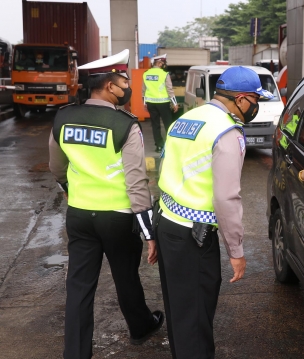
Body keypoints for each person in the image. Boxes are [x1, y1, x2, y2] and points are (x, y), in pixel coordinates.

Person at [48, 49, 164, 359]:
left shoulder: (63, 117)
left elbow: (57, 167)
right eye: (124, 81)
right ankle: (140, 328)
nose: (128, 87)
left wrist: (71, 190)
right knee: (126, 277)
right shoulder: (125, 124)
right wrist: (149, 231)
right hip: (117, 217)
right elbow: (136, 182)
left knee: (79, 287)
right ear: (110, 86)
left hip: (80, 215)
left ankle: (75, 353)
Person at [154, 66, 274, 358]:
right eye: (256, 99)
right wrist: (236, 250)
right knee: (195, 320)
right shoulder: (226, 131)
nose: (257, 106)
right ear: (243, 99)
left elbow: (165, 170)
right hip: (193, 237)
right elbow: (226, 197)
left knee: (180, 314)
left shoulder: (186, 118)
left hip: (167, 222)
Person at [142, 54, 178, 152]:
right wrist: (174, 103)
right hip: (163, 103)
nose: (163, 65)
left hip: (150, 103)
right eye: (162, 63)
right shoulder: (164, 74)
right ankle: (170, 145)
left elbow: (144, 90)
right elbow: (169, 89)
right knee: (168, 124)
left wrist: (144, 103)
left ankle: (159, 146)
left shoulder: (146, 73)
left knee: (155, 124)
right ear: (158, 63)